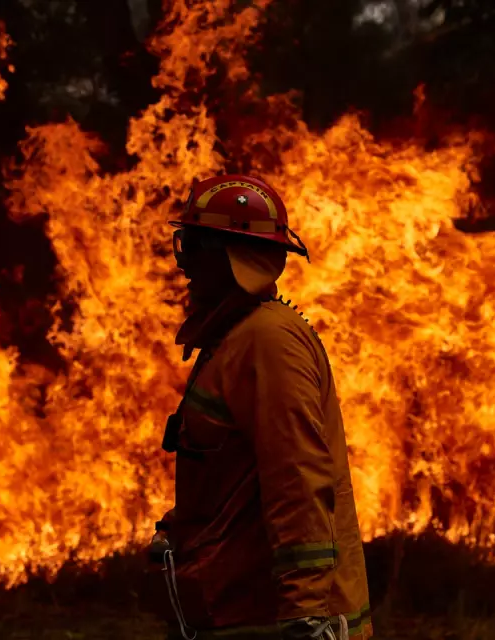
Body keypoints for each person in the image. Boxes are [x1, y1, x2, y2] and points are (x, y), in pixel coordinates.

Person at [144, 175, 373, 640]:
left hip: (271, 621)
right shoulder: (234, 337)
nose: (183, 264)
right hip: (236, 610)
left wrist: (305, 617)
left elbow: (298, 481)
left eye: (193, 247)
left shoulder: (268, 342)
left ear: (227, 255)